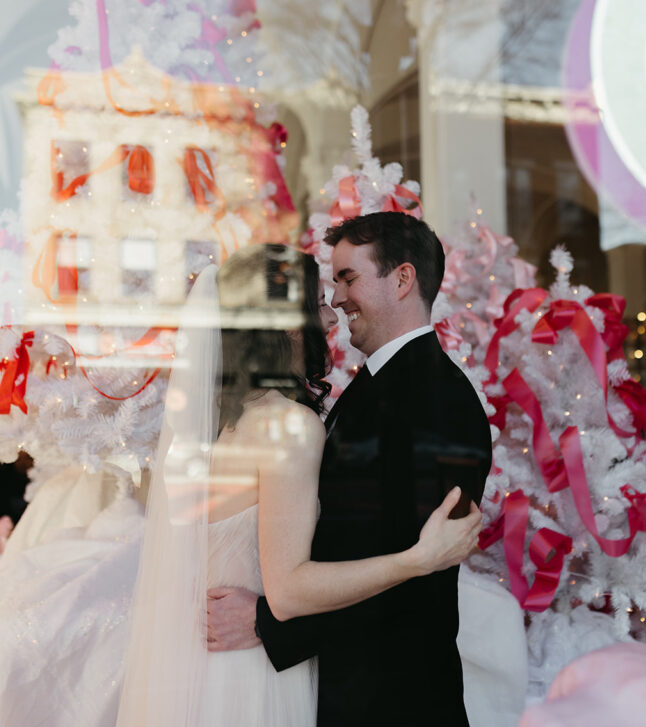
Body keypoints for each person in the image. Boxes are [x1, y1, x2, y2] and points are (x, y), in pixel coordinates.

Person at [119, 243, 481, 726]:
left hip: (207, 673)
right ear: (289, 320)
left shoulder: (218, 424)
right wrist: (416, 560)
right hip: (256, 676)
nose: (332, 319)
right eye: (318, 304)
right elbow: (288, 591)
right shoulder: (286, 426)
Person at [206, 212, 494, 726]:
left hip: (396, 701)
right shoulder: (372, 384)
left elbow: (417, 567)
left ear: (402, 279)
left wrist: (270, 621)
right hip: (350, 692)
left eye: (348, 279)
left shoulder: (439, 399)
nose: (336, 300)